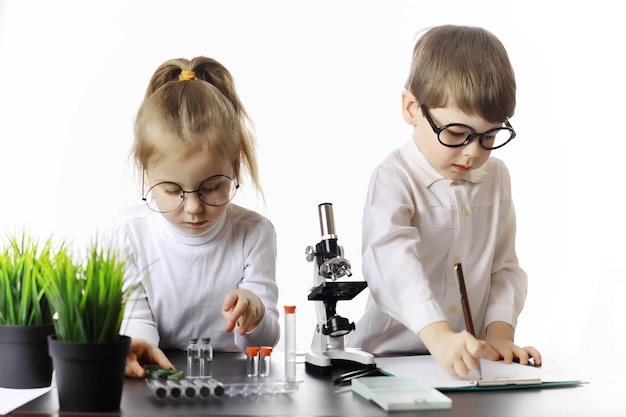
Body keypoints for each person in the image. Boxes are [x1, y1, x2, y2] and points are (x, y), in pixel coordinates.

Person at [346, 25, 542, 377]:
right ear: (411, 109)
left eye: (489, 135)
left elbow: (504, 268)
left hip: (465, 362)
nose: (472, 152)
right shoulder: (394, 178)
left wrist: (499, 334)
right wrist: (437, 334)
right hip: (387, 361)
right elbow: (390, 262)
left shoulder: (496, 177)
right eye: (455, 133)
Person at [110, 56, 280, 378]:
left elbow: (262, 343)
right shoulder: (129, 234)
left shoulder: (254, 234)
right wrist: (137, 345)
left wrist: (255, 315)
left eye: (212, 187)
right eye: (173, 190)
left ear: (235, 164)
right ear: (146, 174)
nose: (193, 208)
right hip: (158, 375)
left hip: (232, 382)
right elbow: (137, 321)